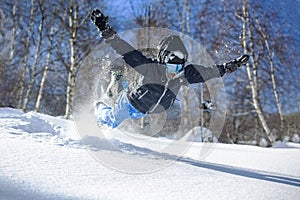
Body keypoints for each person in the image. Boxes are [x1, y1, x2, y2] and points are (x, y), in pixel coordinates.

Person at [90, 9, 249, 128]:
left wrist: (228, 67)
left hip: (148, 110)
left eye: (179, 66)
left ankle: (120, 85)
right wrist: (107, 32)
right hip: (130, 103)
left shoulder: (184, 75)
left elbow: (207, 72)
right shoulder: (151, 67)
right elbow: (127, 51)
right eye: (171, 65)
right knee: (111, 122)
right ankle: (100, 106)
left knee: (181, 104)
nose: (174, 70)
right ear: (162, 61)